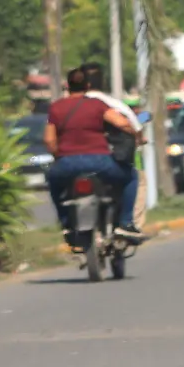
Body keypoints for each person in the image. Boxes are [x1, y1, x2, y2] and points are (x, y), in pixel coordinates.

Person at [43, 68, 144, 241]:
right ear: (87, 86)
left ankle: (66, 223)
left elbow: (49, 140)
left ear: (68, 86)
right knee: (131, 177)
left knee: (53, 181)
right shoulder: (97, 105)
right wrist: (137, 136)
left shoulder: (56, 108)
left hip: (67, 163)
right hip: (100, 162)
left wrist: (59, 156)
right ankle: (125, 223)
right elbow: (122, 123)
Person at [79, 62, 147, 231]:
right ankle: (129, 223)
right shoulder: (110, 104)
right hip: (103, 161)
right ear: (101, 82)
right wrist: (138, 136)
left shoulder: (67, 106)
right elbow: (129, 125)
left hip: (72, 161)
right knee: (135, 178)